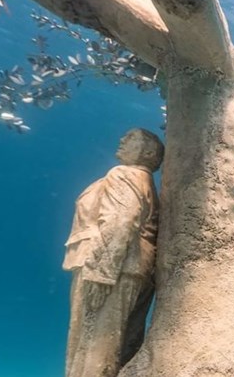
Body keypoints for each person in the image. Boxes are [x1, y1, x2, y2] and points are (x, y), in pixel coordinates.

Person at [62, 128, 164, 377]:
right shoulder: (145, 183)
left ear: (148, 152)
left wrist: (101, 274)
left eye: (130, 138)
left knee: (91, 347)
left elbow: (119, 221)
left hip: (112, 269)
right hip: (134, 268)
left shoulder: (124, 174)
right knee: (119, 345)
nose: (122, 140)